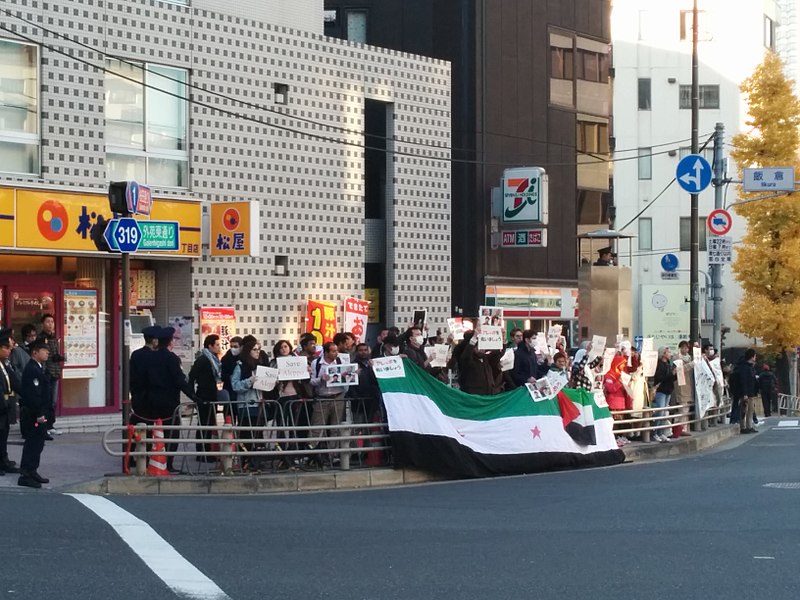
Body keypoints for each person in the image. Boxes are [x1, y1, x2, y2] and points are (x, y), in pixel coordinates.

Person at [140, 326, 197, 472]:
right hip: (169, 402)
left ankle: (151, 462)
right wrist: (195, 397)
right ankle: (168, 463)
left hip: (150, 400)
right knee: (171, 432)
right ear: (170, 342)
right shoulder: (172, 358)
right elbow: (180, 381)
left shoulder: (149, 357)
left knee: (152, 432)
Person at [17, 340, 53, 488]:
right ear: (35, 353)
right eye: (44, 351)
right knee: (32, 444)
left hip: (40, 412)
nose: (47, 353)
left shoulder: (39, 368)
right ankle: (26, 474)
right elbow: (33, 394)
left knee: (38, 444)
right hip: (34, 414)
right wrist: (39, 413)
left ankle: (33, 470)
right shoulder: (32, 369)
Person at [188, 334, 226, 461]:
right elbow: (192, 376)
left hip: (211, 394)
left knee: (209, 423)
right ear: (210, 346)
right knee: (204, 423)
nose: (219, 347)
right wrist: (193, 395)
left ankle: (206, 451)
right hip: (204, 395)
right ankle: (202, 452)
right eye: (216, 345)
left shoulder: (214, 359)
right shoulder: (204, 360)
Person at [309, 342, 347, 466]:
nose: (336, 353)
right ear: (326, 352)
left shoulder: (341, 362)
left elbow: (348, 377)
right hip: (322, 397)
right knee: (317, 427)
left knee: (335, 428)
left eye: (336, 351)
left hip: (338, 396)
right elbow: (312, 381)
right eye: (333, 351)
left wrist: (350, 376)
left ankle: (332, 455)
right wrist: (321, 379)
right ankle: (312, 454)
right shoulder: (317, 363)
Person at [37, 314, 64, 437]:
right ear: (43, 324)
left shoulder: (54, 337)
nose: (50, 324)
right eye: (48, 321)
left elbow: (55, 354)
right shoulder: (41, 338)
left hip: (55, 372)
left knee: (53, 401)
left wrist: (60, 358)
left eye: (52, 321)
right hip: (46, 373)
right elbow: (45, 357)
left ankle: (51, 425)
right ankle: (45, 426)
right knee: (46, 401)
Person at [0, 336, 21, 475]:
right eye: (6, 348)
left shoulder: (5, 364)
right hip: (1, 405)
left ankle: (4, 460)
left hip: (6, 405)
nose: (9, 351)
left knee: (4, 434)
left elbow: (14, 381)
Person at [652, 346, 676, 443]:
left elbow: (670, 378)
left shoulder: (669, 364)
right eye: (668, 352)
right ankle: (655, 433)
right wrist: (671, 374)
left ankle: (661, 432)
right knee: (660, 412)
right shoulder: (659, 364)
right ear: (663, 353)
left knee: (664, 412)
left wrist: (675, 374)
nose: (670, 354)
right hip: (661, 390)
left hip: (668, 389)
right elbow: (659, 377)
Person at [731, 349, 758, 433]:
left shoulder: (750, 366)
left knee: (750, 410)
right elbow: (743, 381)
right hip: (745, 393)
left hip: (751, 392)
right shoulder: (744, 367)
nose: (755, 357)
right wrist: (745, 393)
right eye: (755, 355)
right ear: (752, 356)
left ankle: (749, 426)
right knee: (744, 410)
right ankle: (743, 427)